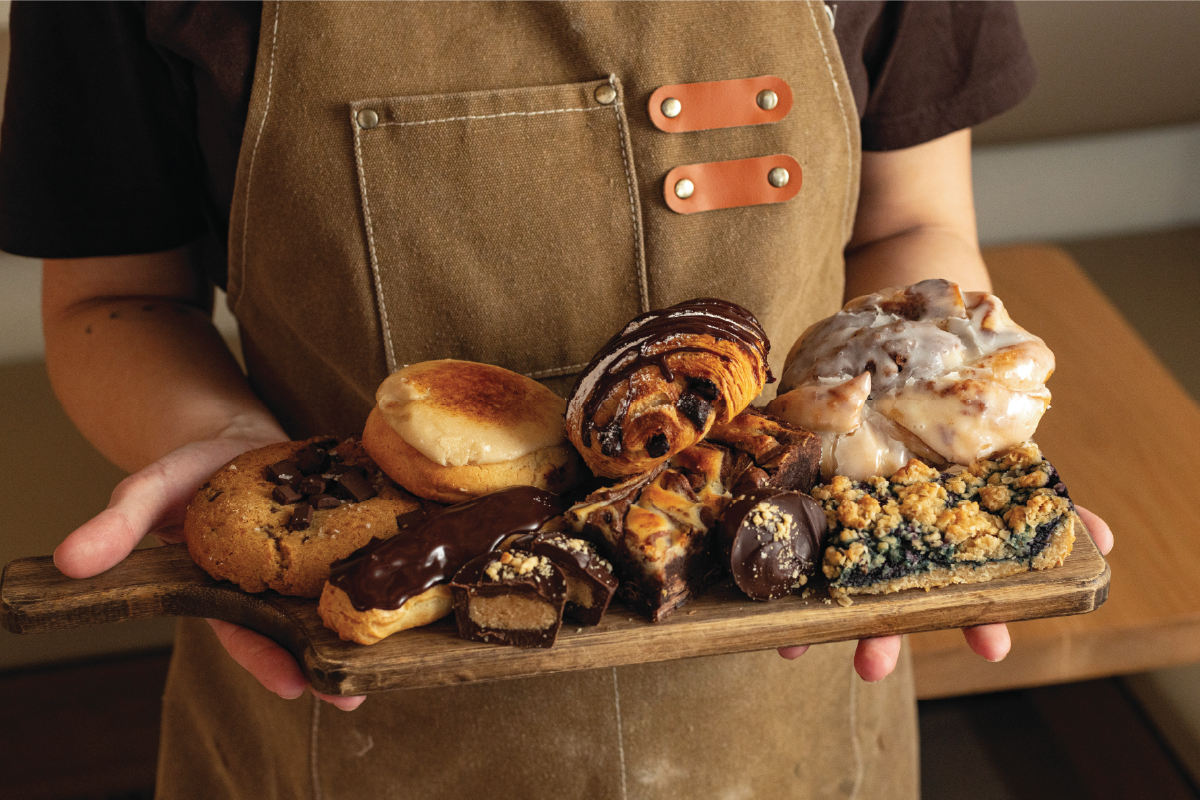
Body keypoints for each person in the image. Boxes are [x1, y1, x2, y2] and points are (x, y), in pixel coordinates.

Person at [1, 1, 1114, 797]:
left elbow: (907, 222)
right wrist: (229, 449)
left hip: (779, 698)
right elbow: (116, 298)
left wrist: (930, 447)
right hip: (342, 724)